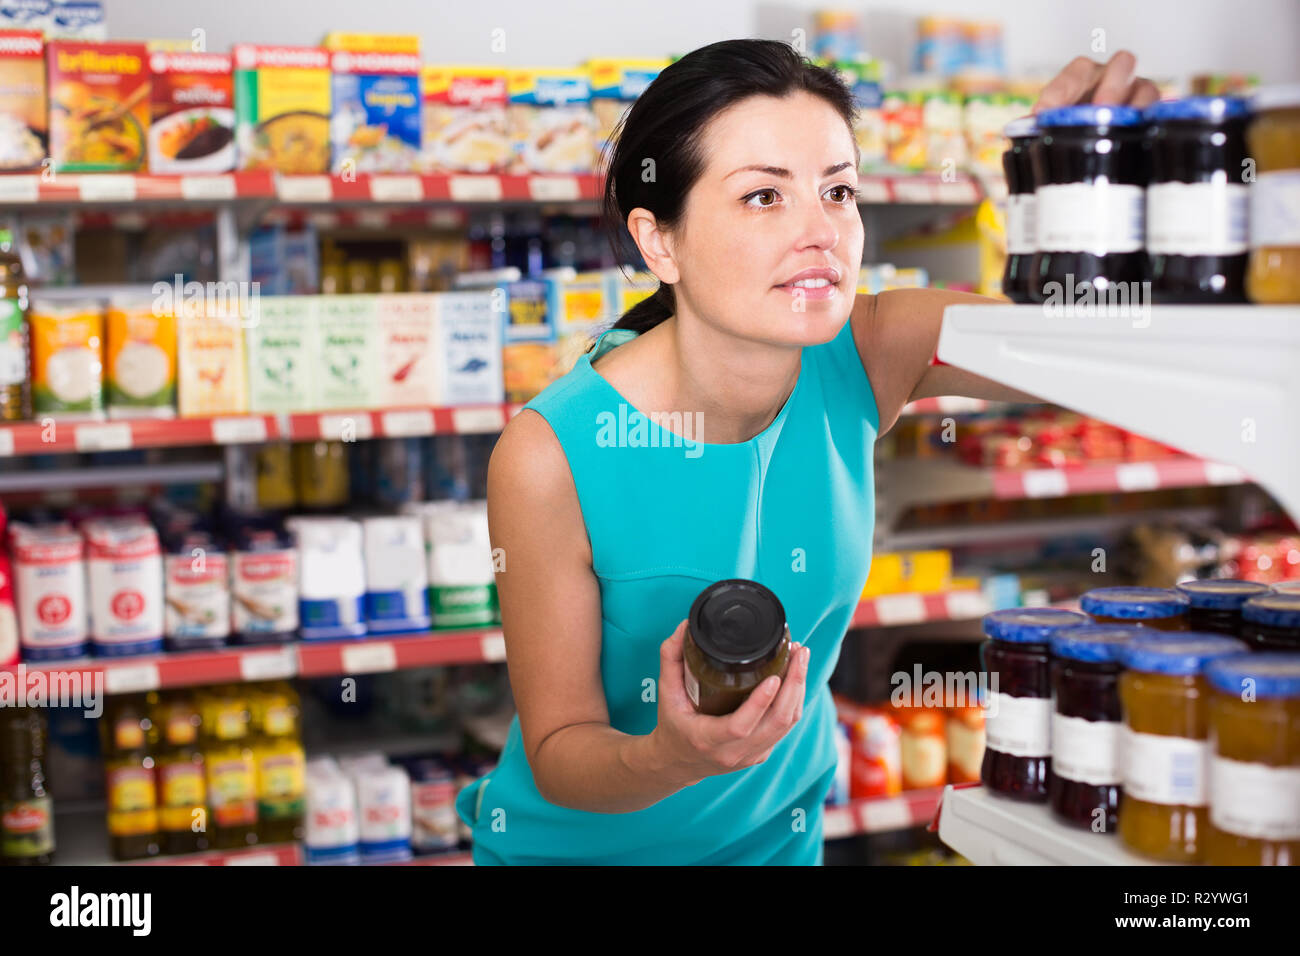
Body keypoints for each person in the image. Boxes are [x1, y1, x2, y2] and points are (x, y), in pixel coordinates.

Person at [454, 39, 1159, 865]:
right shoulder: (551, 454)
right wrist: (670, 758)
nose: (821, 231)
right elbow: (561, 749)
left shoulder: (870, 349)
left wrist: (1078, 188)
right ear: (659, 243)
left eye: (838, 191)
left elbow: (1091, 345)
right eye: (763, 196)